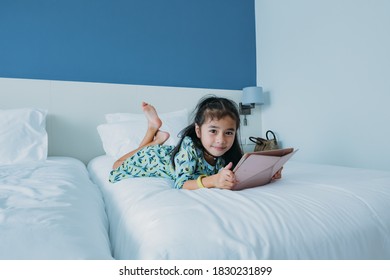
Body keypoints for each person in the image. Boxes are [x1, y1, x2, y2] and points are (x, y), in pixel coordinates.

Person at [109, 95, 243, 190]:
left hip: (171, 154)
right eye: (213, 131)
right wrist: (213, 181)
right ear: (198, 131)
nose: (221, 140)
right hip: (154, 158)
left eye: (229, 133)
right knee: (117, 165)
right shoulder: (189, 144)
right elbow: (181, 183)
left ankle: (157, 134)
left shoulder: (223, 155)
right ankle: (153, 133)